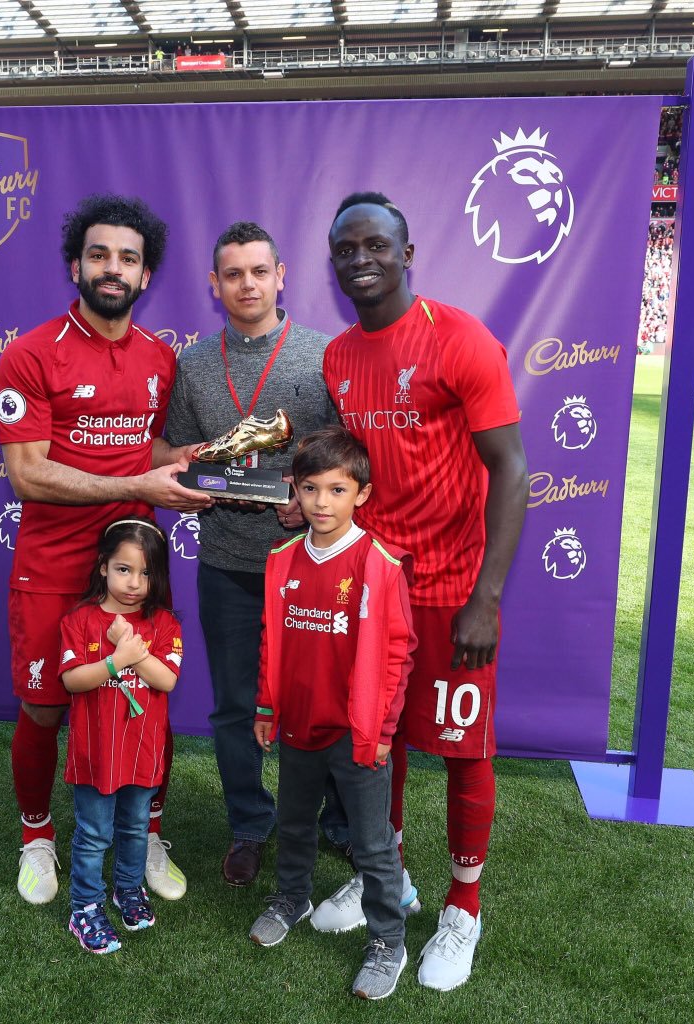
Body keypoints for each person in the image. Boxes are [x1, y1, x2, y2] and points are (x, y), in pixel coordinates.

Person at [320, 192, 529, 991]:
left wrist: (488, 596)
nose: (361, 258)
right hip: (374, 589)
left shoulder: (461, 339)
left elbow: (511, 469)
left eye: (376, 245)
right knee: (377, 742)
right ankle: (389, 878)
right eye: (346, 249)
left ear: (408, 255)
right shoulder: (340, 357)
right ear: (333, 262)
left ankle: (463, 907)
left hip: (451, 592)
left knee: (463, 753)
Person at [0, 193, 211, 908]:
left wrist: (189, 463)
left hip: (135, 569)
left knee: (145, 697)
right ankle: (36, 838)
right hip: (54, 565)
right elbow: (27, 472)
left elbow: (149, 449)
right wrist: (137, 479)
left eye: (128, 258)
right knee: (46, 707)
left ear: (146, 276)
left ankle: (145, 835)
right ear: (74, 265)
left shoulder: (158, 357)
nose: (112, 269)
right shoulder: (29, 354)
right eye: (98, 255)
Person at [161, 221, 338, 886]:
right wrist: (190, 472)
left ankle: (332, 820)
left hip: (313, 563)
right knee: (235, 706)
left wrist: (310, 493)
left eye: (259, 271)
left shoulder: (322, 357)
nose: (247, 284)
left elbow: (350, 455)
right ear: (214, 284)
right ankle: (248, 824)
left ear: (281, 275)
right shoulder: (194, 365)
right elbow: (170, 449)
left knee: (318, 702)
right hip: (229, 565)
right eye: (232, 274)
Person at [250, 426, 416, 1001]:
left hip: (358, 733)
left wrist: (384, 730)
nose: (322, 503)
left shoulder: (379, 564)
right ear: (294, 491)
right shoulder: (282, 560)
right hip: (298, 724)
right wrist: (267, 705)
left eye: (337, 490)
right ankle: (291, 899)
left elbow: (398, 653)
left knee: (372, 843)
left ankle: (387, 941)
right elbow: (273, 639)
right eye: (311, 489)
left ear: (361, 495)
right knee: (294, 823)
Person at [60, 517, 182, 954]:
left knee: (134, 828)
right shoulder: (79, 620)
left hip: (142, 754)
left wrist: (133, 652)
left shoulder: (165, 623)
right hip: (95, 755)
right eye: (124, 569)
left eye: (146, 572)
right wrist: (116, 660)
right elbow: (73, 681)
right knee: (93, 834)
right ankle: (85, 907)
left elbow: (166, 681)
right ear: (102, 567)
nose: (134, 582)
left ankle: (128, 889)